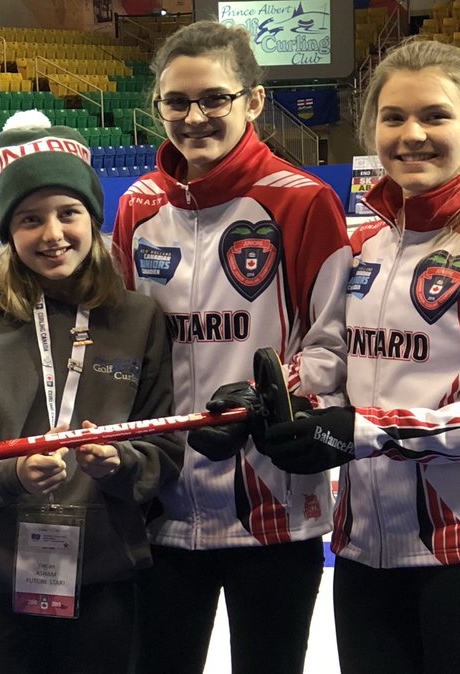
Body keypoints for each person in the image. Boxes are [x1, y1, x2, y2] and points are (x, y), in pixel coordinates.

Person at [259, 38, 460, 674]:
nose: (413, 134)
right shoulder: (363, 245)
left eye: (435, 115)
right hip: (364, 550)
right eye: (394, 117)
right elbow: (333, 370)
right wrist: (284, 402)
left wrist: (367, 430)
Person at [110, 21, 351, 674]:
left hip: (272, 502)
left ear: (251, 100)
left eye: (214, 98)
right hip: (160, 506)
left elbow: (331, 344)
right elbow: (119, 343)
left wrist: (272, 398)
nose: (194, 117)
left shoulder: (303, 201)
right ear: (156, 107)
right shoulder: (137, 205)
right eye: (176, 102)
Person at [0, 110, 183, 674]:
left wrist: (119, 462)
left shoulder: (136, 317)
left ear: (91, 218)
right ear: (7, 229)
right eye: (29, 218)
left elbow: (164, 454)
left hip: (104, 570)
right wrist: (10, 475)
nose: (52, 234)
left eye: (68, 213)